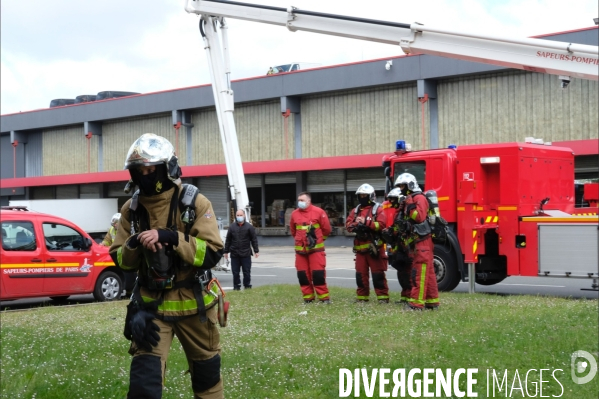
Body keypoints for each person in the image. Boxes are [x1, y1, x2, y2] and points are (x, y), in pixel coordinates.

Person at [109, 133, 225, 399]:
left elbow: (213, 251)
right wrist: (135, 244)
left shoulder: (194, 202)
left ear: (167, 168)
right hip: (151, 308)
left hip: (195, 306)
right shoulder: (131, 209)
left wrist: (171, 237)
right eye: (141, 170)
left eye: (152, 169)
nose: (147, 175)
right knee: (143, 386)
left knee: (207, 380)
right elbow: (120, 260)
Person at [395, 173, 439, 310]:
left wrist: (409, 204)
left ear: (410, 185)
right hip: (418, 241)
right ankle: (432, 302)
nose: (401, 188)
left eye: (403, 186)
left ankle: (416, 304)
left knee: (419, 273)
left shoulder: (419, 198)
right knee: (429, 273)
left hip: (422, 242)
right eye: (400, 186)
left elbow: (419, 217)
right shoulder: (411, 199)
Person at [346, 184, 389, 303]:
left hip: (374, 248)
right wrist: (357, 224)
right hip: (360, 250)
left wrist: (366, 223)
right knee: (360, 275)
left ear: (371, 196)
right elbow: (348, 225)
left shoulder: (378, 210)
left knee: (378, 275)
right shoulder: (355, 211)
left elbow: (381, 225)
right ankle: (362, 298)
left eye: (364, 195)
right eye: (360, 195)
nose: (362, 197)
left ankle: (383, 298)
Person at [289, 192, 332, 304]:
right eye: (299, 200)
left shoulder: (319, 212)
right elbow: (293, 231)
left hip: (316, 250)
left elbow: (326, 229)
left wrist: (318, 240)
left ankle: (324, 298)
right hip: (300, 251)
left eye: (302, 200)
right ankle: (308, 298)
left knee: (318, 274)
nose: (300, 202)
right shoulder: (294, 214)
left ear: (309, 201)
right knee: (303, 275)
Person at [381, 188, 412, 304]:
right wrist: (389, 232)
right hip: (399, 247)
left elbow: (407, 229)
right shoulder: (399, 212)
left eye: (393, 199)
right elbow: (396, 227)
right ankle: (404, 298)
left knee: (409, 274)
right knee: (402, 274)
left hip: (407, 248)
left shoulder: (406, 212)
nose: (391, 202)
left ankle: (410, 298)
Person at [224, 209, 259, 291]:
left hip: (246, 253)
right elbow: (228, 240)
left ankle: (247, 286)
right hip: (235, 254)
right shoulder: (232, 227)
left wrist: (256, 251)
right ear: (236, 216)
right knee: (235, 272)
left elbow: (254, 240)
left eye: (241, 215)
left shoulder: (249, 227)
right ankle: (236, 287)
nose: (239, 217)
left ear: (244, 216)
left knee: (246, 272)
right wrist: (226, 251)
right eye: (238, 215)